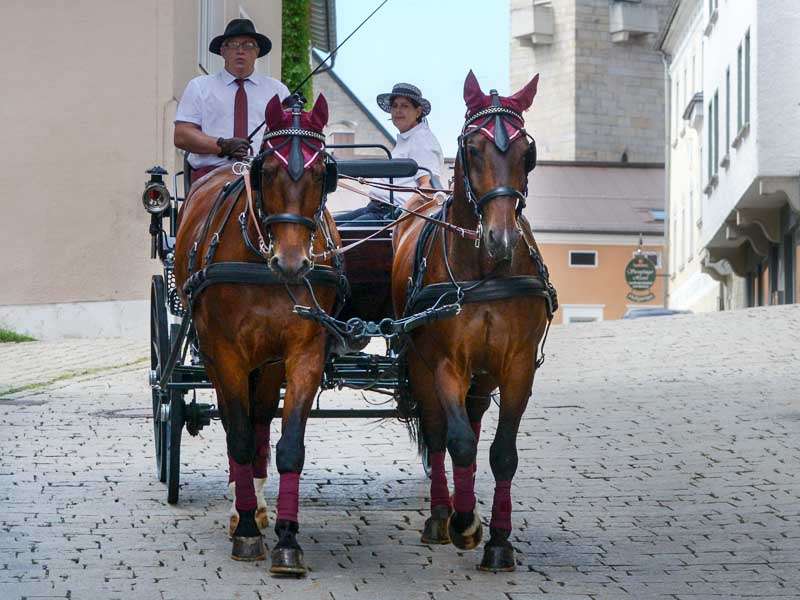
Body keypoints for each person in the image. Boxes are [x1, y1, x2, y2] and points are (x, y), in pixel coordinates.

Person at [174, 19, 290, 184]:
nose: (240, 50)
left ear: (257, 52)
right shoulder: (200, 86)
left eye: (248, 45)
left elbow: (288, 140)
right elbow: (182, 135)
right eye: (233, 44)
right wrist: (222, 145)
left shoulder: (278, 91)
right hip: (212, 177)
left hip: (263, 179)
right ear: (222, 51)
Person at [342, 83, 444, 221]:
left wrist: (401, 214)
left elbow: (428, 187)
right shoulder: (408, 138)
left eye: (404, 106)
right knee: (328, 229)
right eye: (395, 106)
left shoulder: (422, 140)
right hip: (375, 209)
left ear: (418, 112)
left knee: (337, 236)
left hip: (390, 216)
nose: (398, 110)